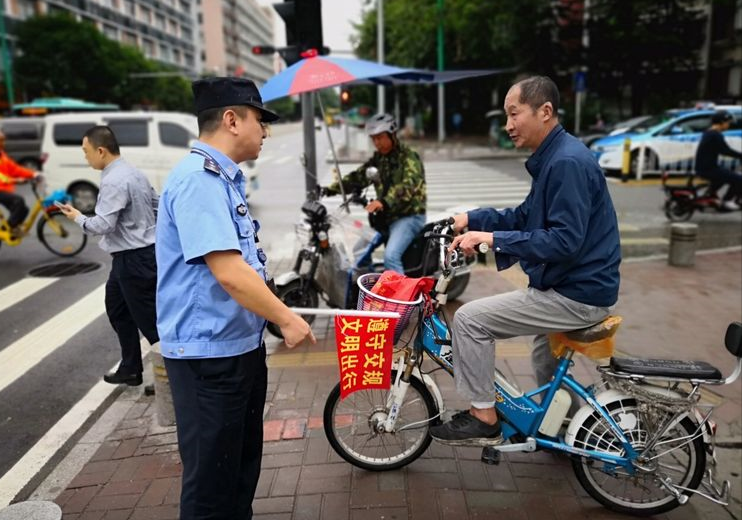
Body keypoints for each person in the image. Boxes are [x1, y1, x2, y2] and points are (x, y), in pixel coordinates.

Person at [155, 77, 316, 520]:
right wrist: (286, 318)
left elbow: (244, 266)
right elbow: (228, 274)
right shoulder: (198, 180)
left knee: (238, 472)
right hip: (209, 360)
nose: (265, 132)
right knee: (211, 484)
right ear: (231, 119)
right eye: (260, 121)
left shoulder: (223, 178)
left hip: (236, 349)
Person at [429, 76, 621, 445]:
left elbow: (564, 241)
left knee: (469, 320)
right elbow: (524, 217)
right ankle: (568, 431)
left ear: (545, 111)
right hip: (575, 285)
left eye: (513, 114)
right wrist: (471, 219)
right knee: (543, 358)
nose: (508, 125)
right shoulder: (556, 157)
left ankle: (483, 415)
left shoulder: (565, 162)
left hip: (576, 293)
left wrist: (491, 239)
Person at [57, 126, 159, 386]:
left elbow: (103, 225)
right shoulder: (133, 172)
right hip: (131, 256)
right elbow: (157, 205)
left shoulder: (114, 180)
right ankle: (131, 368)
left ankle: (174, 377)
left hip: (134, 258)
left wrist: (77, 217)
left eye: (86, 152)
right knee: (117, 308)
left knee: (150, 322)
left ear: (101, 150)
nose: (86, 157)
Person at [322, 113, 426, 273]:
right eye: (373, 138)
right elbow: (358, 177)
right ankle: (369, 288)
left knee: (391, 256)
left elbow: (409, 186)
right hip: (385, 218)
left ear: (392, 135)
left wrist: (383, 202)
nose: (376, 142)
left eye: (380, 137)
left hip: (409, 217)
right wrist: (330, 189)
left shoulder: (409, 157)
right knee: (358, 253)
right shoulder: (379, 159)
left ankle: (401, 297)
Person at [694, 110, 742, 211]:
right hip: (708, 168)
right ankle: (727, 201)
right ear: (722, 122)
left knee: (725, 175)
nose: (728, 125)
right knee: (738, 180)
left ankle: (710, 194)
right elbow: (725, 150)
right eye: (728, 122)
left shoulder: (709, 132)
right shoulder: (715, 135)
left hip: (704, 167)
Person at [0, 130, 39, 236]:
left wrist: (33, 174)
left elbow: (15, 169)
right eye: (1, 140)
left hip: (4, 189)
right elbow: (2, 178)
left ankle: (8, 227)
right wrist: (16, 180)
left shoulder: (2, 154)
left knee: (24, 209)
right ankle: (10, 229)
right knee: (18, 200)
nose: (3, 143)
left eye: (3, 140)